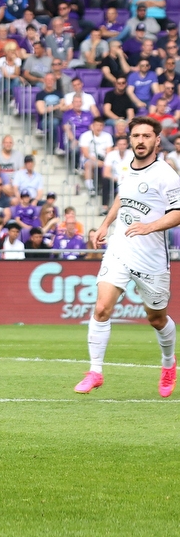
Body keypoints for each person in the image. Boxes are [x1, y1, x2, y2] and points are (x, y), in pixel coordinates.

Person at [75, 117, 179, 398]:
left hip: (151, 258)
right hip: (120, 249)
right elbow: (123, 198)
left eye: (147, 136)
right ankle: (95, 371)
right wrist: (106, 224)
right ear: (130, 139)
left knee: (156, 319)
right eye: (136, 136)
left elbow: (178, 212)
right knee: (101, 309)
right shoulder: (127, 168)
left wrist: (149, 226)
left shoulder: (166, 175)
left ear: (157, 140)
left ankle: (169, 364)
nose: (141, 141)